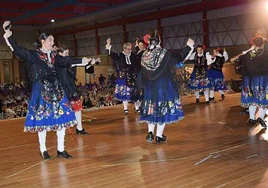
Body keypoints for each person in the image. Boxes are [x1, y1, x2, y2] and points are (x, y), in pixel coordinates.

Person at [2, 21, 93, 159]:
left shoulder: (55, 57)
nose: (53, 42)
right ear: (43, 41)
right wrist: (8, 34)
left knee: (62, 119)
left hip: (57, 90)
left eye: (53, 40)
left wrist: (82, 60)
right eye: (50, 40)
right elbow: (18, 49)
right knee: (42, 120)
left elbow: (66, 61)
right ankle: (43, 149)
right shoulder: (34, 55)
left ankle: (61, 149)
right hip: (41, 91)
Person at [139, 30, 194, 143]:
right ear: (159, 40)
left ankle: (150, 131)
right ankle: (159, 136)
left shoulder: (145, 55)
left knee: (151, 108)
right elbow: (178, 58)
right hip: (163, 86)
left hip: (150, 87)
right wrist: (189, 46)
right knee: (163, 109)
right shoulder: (164, 53)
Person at [56, 44, 98, 135]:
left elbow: (77, 63)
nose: (67, 55)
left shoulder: (68, 60)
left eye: (68, 53)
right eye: (65, 53)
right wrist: (84, 60)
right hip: (62, 88)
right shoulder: (58, 60)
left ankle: (79, 128)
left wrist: (89, 62)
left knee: (77, 108)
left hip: (71, 87)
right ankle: (60, 129)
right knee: (62, 109)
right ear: (59, 53)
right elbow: (70, 61)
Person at [106, 38, 141, 114]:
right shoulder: (119, 55)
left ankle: (137, 108)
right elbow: (110, 54)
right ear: (124, 49)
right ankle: (125, 109)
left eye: (131, 49)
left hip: (133, 76)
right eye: (128, 49)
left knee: (135, 92)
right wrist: (108, 45)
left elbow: (139, 54)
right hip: (123, 76)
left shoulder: (133, 56)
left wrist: (137, 45)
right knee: (125, 93)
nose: (130, 50)